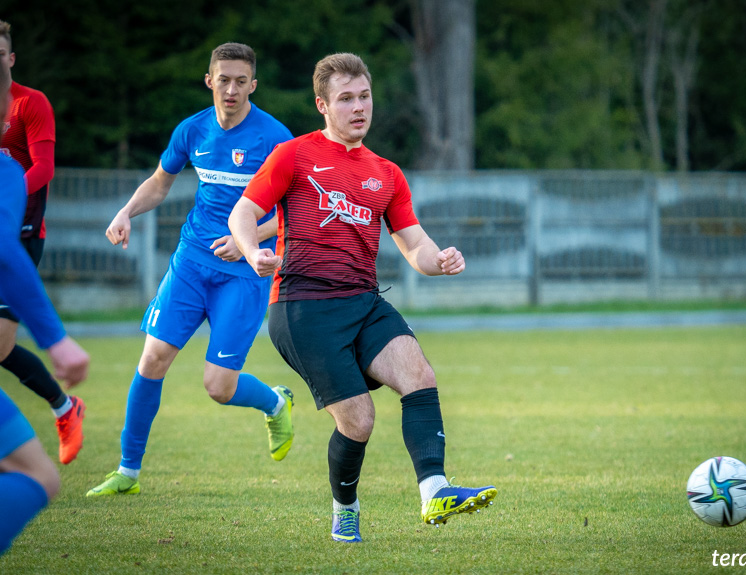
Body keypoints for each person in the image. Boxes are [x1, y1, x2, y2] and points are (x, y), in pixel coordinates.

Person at [229, 52, 496, 543]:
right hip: (302, 308)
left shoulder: (386, 173)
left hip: (363, 300)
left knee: (419, 375)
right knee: (359, 421)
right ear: (322, 106)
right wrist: (252, 253)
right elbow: (243, 214)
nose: (359, 107)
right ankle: (345, 507)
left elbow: (414, 243)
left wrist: (440, 261)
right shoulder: (295, 156)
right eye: (346, 99)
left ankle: (435, 490)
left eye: (365, 96)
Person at [86, 42, 295, 497]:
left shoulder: (277, 139)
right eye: (224, 80)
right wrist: (125, 212)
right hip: (190, 264)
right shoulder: (192, 130)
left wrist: (249, 241)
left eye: (242, 81)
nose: (232, 89)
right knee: (153, 358)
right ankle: (127, 471)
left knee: (218, 387)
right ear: (210, 81)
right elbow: (160, 183)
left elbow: (295, 210)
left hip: (244, 273)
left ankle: (276, 403)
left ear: (253, 85)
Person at [0, 53, 90, 556]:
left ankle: (63, 405)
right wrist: (58, 341)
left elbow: (46, 168)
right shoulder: (3, 171)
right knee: (37, 477)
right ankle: (63, 404)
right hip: (9, 242)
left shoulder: (33, 105)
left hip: (25, 235)